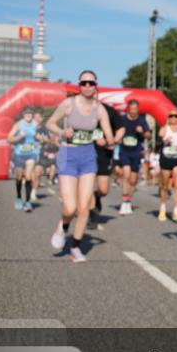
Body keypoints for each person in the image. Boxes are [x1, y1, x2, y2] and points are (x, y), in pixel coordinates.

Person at [45, 71, 116, 263]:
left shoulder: (100, 110)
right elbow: (49, 123)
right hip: (68, 155)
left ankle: (75, 247)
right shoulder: (69, 104)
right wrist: (62, 131)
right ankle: (63, 225)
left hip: (87, 158)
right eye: (84, 83)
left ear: (95, 86)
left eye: (90, 83)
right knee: (70, 208)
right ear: (79, 85)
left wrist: (105, 140)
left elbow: (110, 137)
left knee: (84, 208)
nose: (87, 86)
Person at [114, 99, 151, 215]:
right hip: (124, 151)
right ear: (128, 109)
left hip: (136, 152)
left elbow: (148, 135)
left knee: (133, 181)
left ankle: (128, 201)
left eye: (136, 109)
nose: (134, 111)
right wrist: (118, 138)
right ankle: (124, 202)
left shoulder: (141, 120)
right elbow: (116, 131)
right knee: (126, 175)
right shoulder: (122, 119)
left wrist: (143, 132)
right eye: (132, 109)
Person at [90, 101, 119, 230]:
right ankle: (92, 216)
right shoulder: (79, 109)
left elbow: (121, 128)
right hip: (86, 153)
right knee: (88, 187)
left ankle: (97, 198)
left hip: (104, 154)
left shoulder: (108, 110)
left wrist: (110, 141)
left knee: (103, 190)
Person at [7, 108, 42, 212]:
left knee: (28, 176)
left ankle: (27, 202)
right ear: (23, 115)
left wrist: (40, 137)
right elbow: (9, 139)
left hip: (31, 153)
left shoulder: (36, 125)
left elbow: (41, 137)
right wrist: (19, 137)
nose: (28, 115)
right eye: (26, 113)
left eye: (30, 113)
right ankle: (18, 197)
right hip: (19, 154)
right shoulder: (18, 125)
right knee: (18, 175)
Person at [157, 110, 177, 222]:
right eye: (171, 116)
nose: (174, 117)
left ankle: (176, 211)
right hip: (166, 158)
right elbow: (159, 140)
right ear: (168, 118)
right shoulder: (164, 129)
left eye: (176, 116)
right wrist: (164, 140)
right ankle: (163, 208)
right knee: (164, 186)